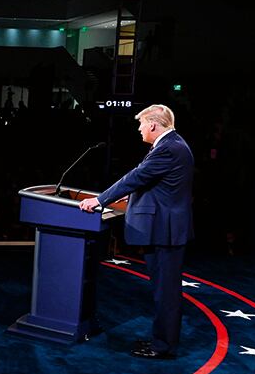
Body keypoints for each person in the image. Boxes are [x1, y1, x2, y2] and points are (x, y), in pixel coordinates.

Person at [79, 104, 194, 359]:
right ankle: (161, 340)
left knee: (166, 292)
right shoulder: (171, 144)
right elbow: (154, 184)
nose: (139, 129)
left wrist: (100, 200)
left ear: (152, 124)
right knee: (163, 290)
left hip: (166, 231)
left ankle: (163, 346)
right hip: (164, 229)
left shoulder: (169, 148)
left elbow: (136, 177)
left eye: (141, 124)